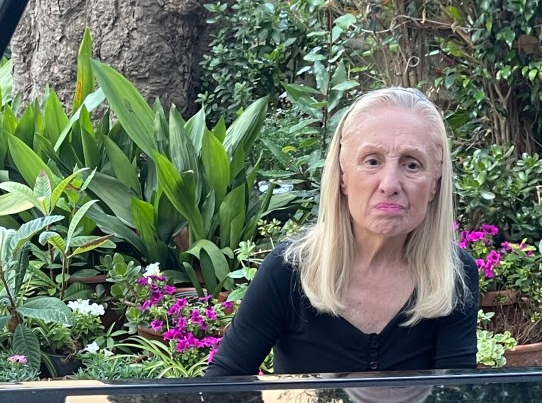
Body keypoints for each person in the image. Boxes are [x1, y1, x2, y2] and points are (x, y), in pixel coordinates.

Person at [205, 86, 479, 378]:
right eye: (372, 161)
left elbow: (457, 395)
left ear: (435, 184)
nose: (390, 184)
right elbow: (221, 385)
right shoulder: (289, 270)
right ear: (343, 176)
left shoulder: (452, 274)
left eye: (412, 164)